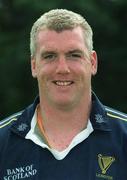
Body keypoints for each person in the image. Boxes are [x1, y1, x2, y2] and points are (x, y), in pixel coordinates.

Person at [0, 9, 127, 180]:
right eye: (50, 56)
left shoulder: (123, 137)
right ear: (34, 66)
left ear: (93, 62)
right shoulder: (3, 142)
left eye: (74, 55)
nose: (62, 68)